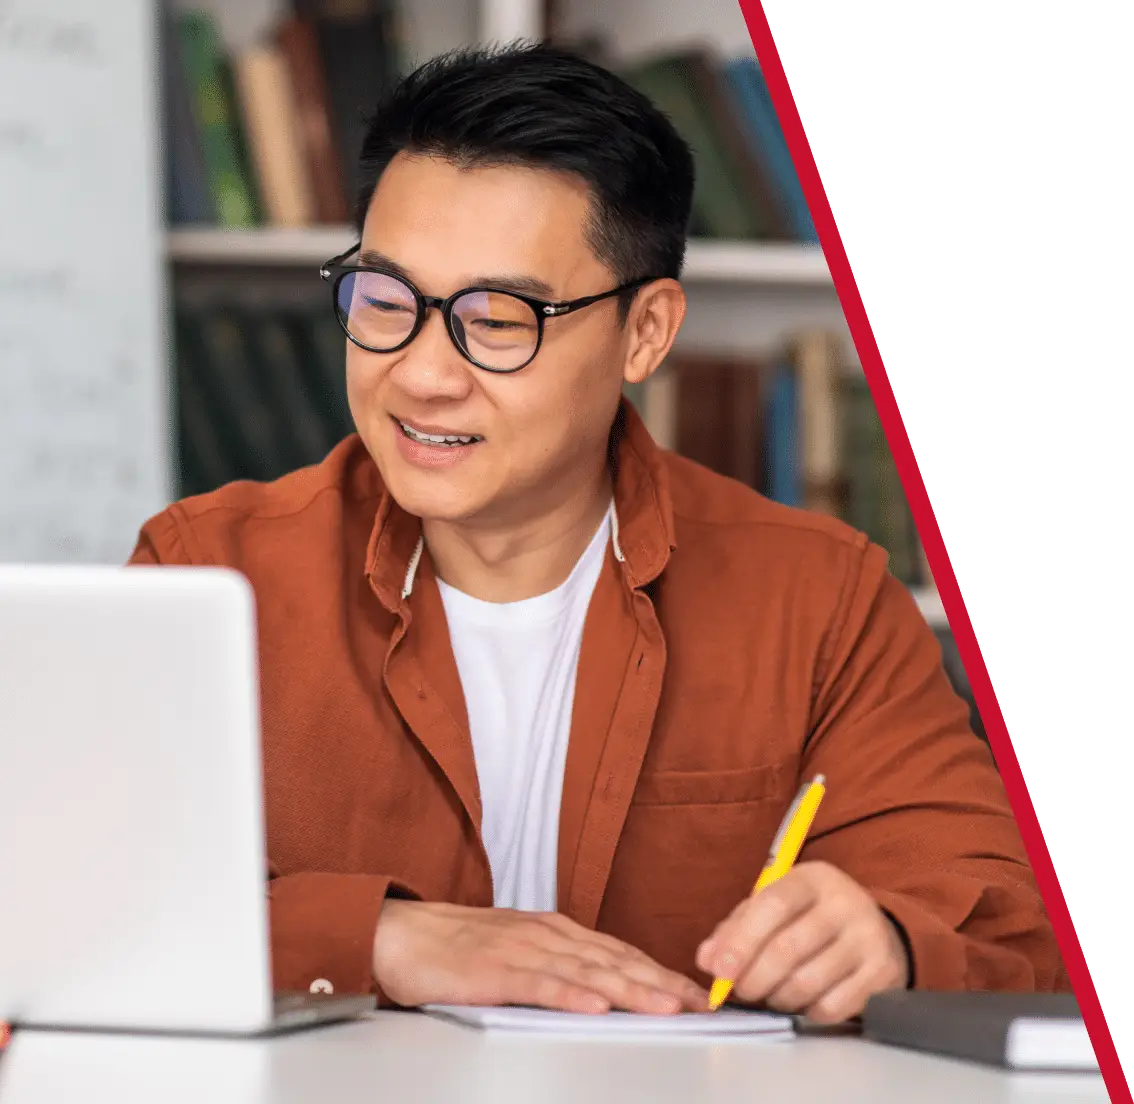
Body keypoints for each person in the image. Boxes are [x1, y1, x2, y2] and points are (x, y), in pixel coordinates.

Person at [130, 43, 1066, 1022]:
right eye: (386, 299)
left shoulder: (820, 599)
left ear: (648, 332)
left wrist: (890, 944)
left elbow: (1017, 940)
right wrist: (377, 938)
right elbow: (64, 908)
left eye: (497, 319)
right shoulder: (208, 571)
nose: (419, 373)